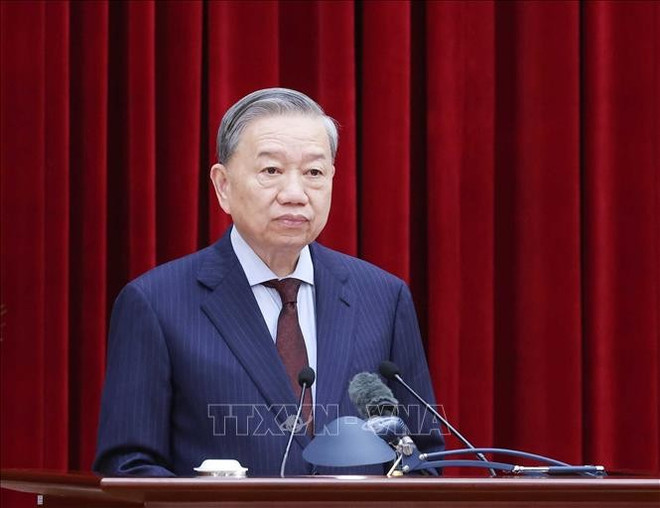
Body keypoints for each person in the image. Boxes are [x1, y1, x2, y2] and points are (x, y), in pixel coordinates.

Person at [93, 88, 443, 477]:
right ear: (223, 186)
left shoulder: (383, 297)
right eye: (271, 171)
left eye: (314, 173)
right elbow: (128, 467)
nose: (294, 194)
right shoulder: (155, 303)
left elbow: (421, 458)